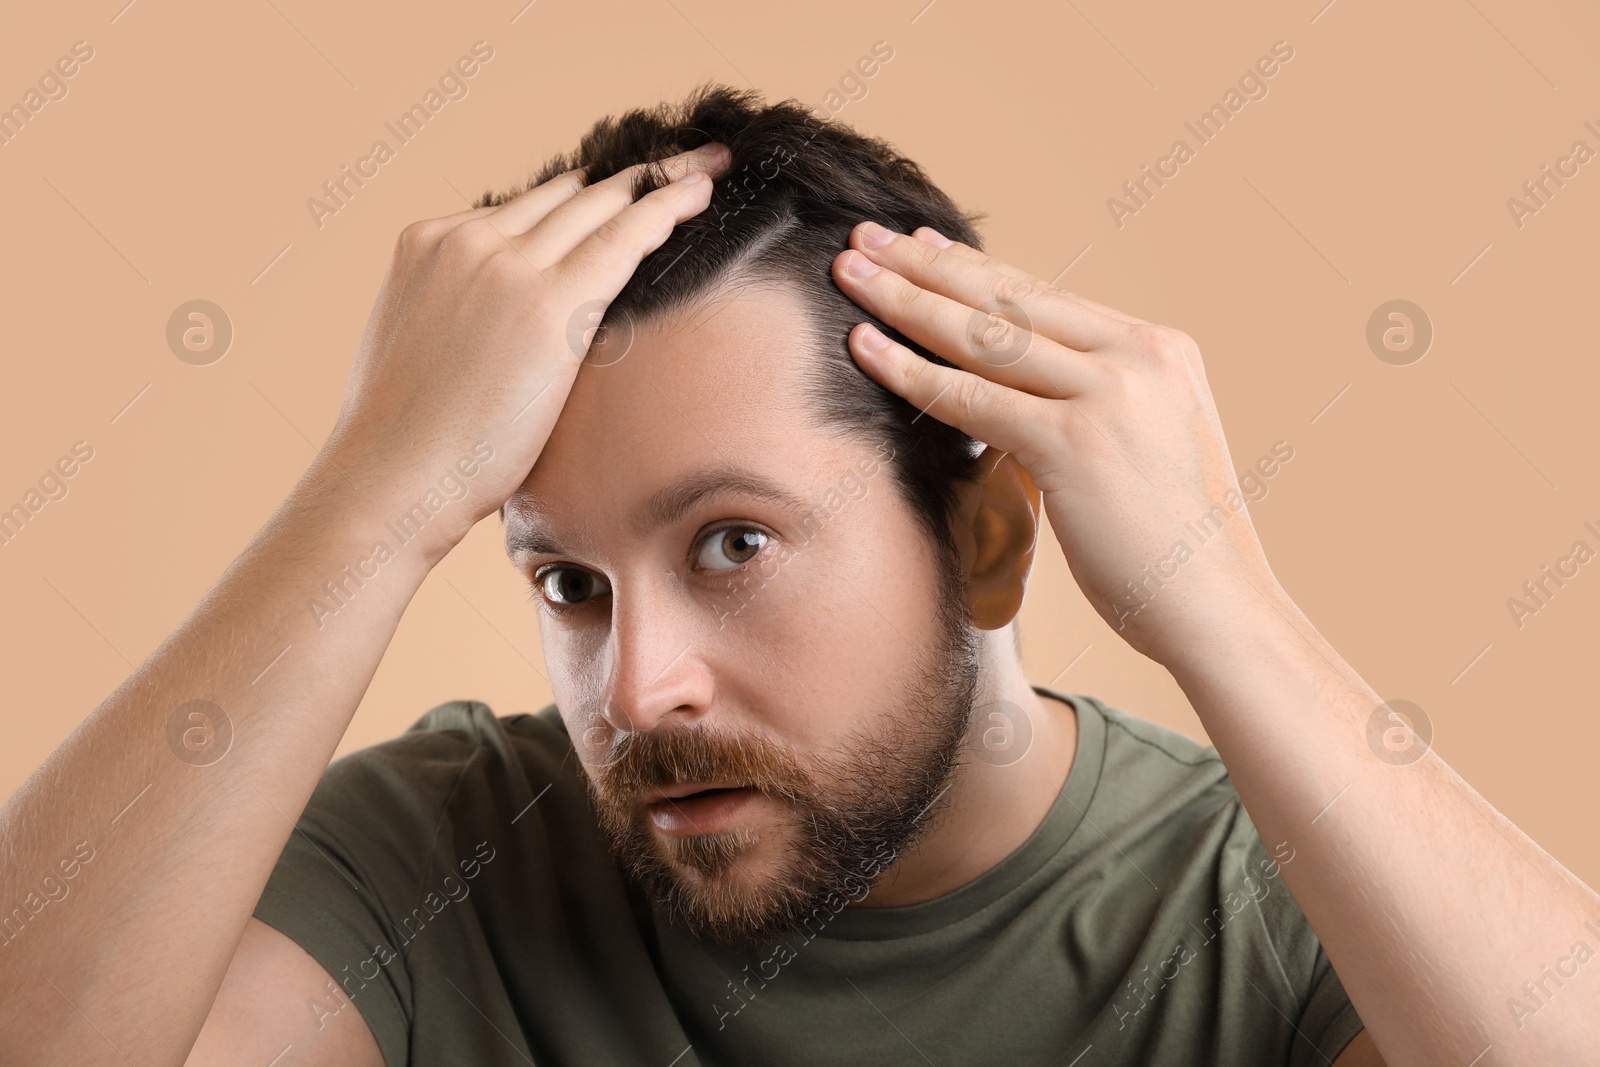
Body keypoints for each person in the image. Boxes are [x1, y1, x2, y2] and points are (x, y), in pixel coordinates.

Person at [1, 83, 1595, 1067]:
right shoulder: (435, 861)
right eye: (567, 582)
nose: (635, 691)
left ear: (984, 539)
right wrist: (375, 490)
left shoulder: (1276, 902)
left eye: (735, 545)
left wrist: (1214, 595)